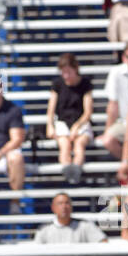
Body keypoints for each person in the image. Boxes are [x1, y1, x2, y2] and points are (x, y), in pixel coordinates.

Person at [46, 53, 94, 185]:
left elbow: (88, 112)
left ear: (76, 68)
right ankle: (68, 171)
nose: (66, 76)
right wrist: (49, 125)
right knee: (65, 145)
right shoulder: (57, 84)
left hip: (81, 122)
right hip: (62, 122)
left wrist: (77, 126)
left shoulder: (85, 84)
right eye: (63, 72)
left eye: (68, 72)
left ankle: (76, 171)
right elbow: (51, 109)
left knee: (79, 144)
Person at [34, 193, 106, 244]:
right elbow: (36, 252)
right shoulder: (44, 230)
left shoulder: (85, 226)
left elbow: (103, 243)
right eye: (60, 203)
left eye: (67, 203)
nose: (64, 207)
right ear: (53, 208)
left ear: (71, 206)